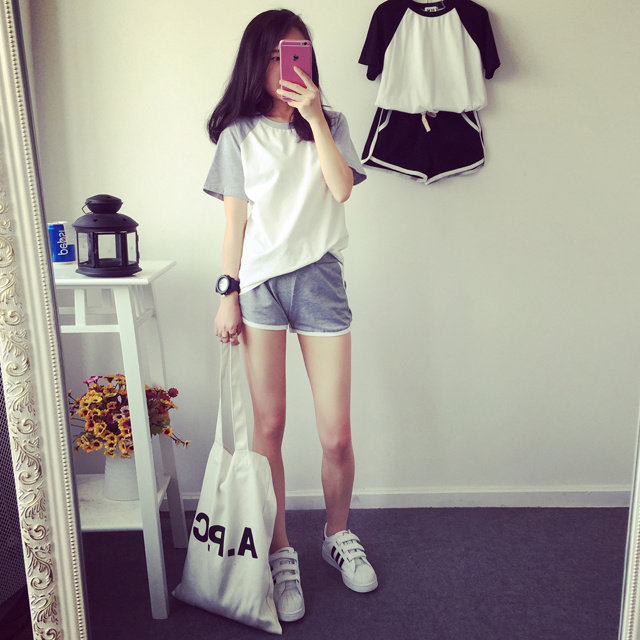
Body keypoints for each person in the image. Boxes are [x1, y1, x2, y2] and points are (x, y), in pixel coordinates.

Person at [205, 8, 377, 623]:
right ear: (258, 60)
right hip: (259, 288)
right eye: (277, 54)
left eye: (297, 51)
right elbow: (235, 224)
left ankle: (336, 534)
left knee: (336, 433)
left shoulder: (332, 122)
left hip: (320, 280)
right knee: (269, 429)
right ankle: (280, 551)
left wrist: (315, 118)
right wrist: (227, 293)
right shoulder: (238, 136)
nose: (287, 64)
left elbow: (342, 188)